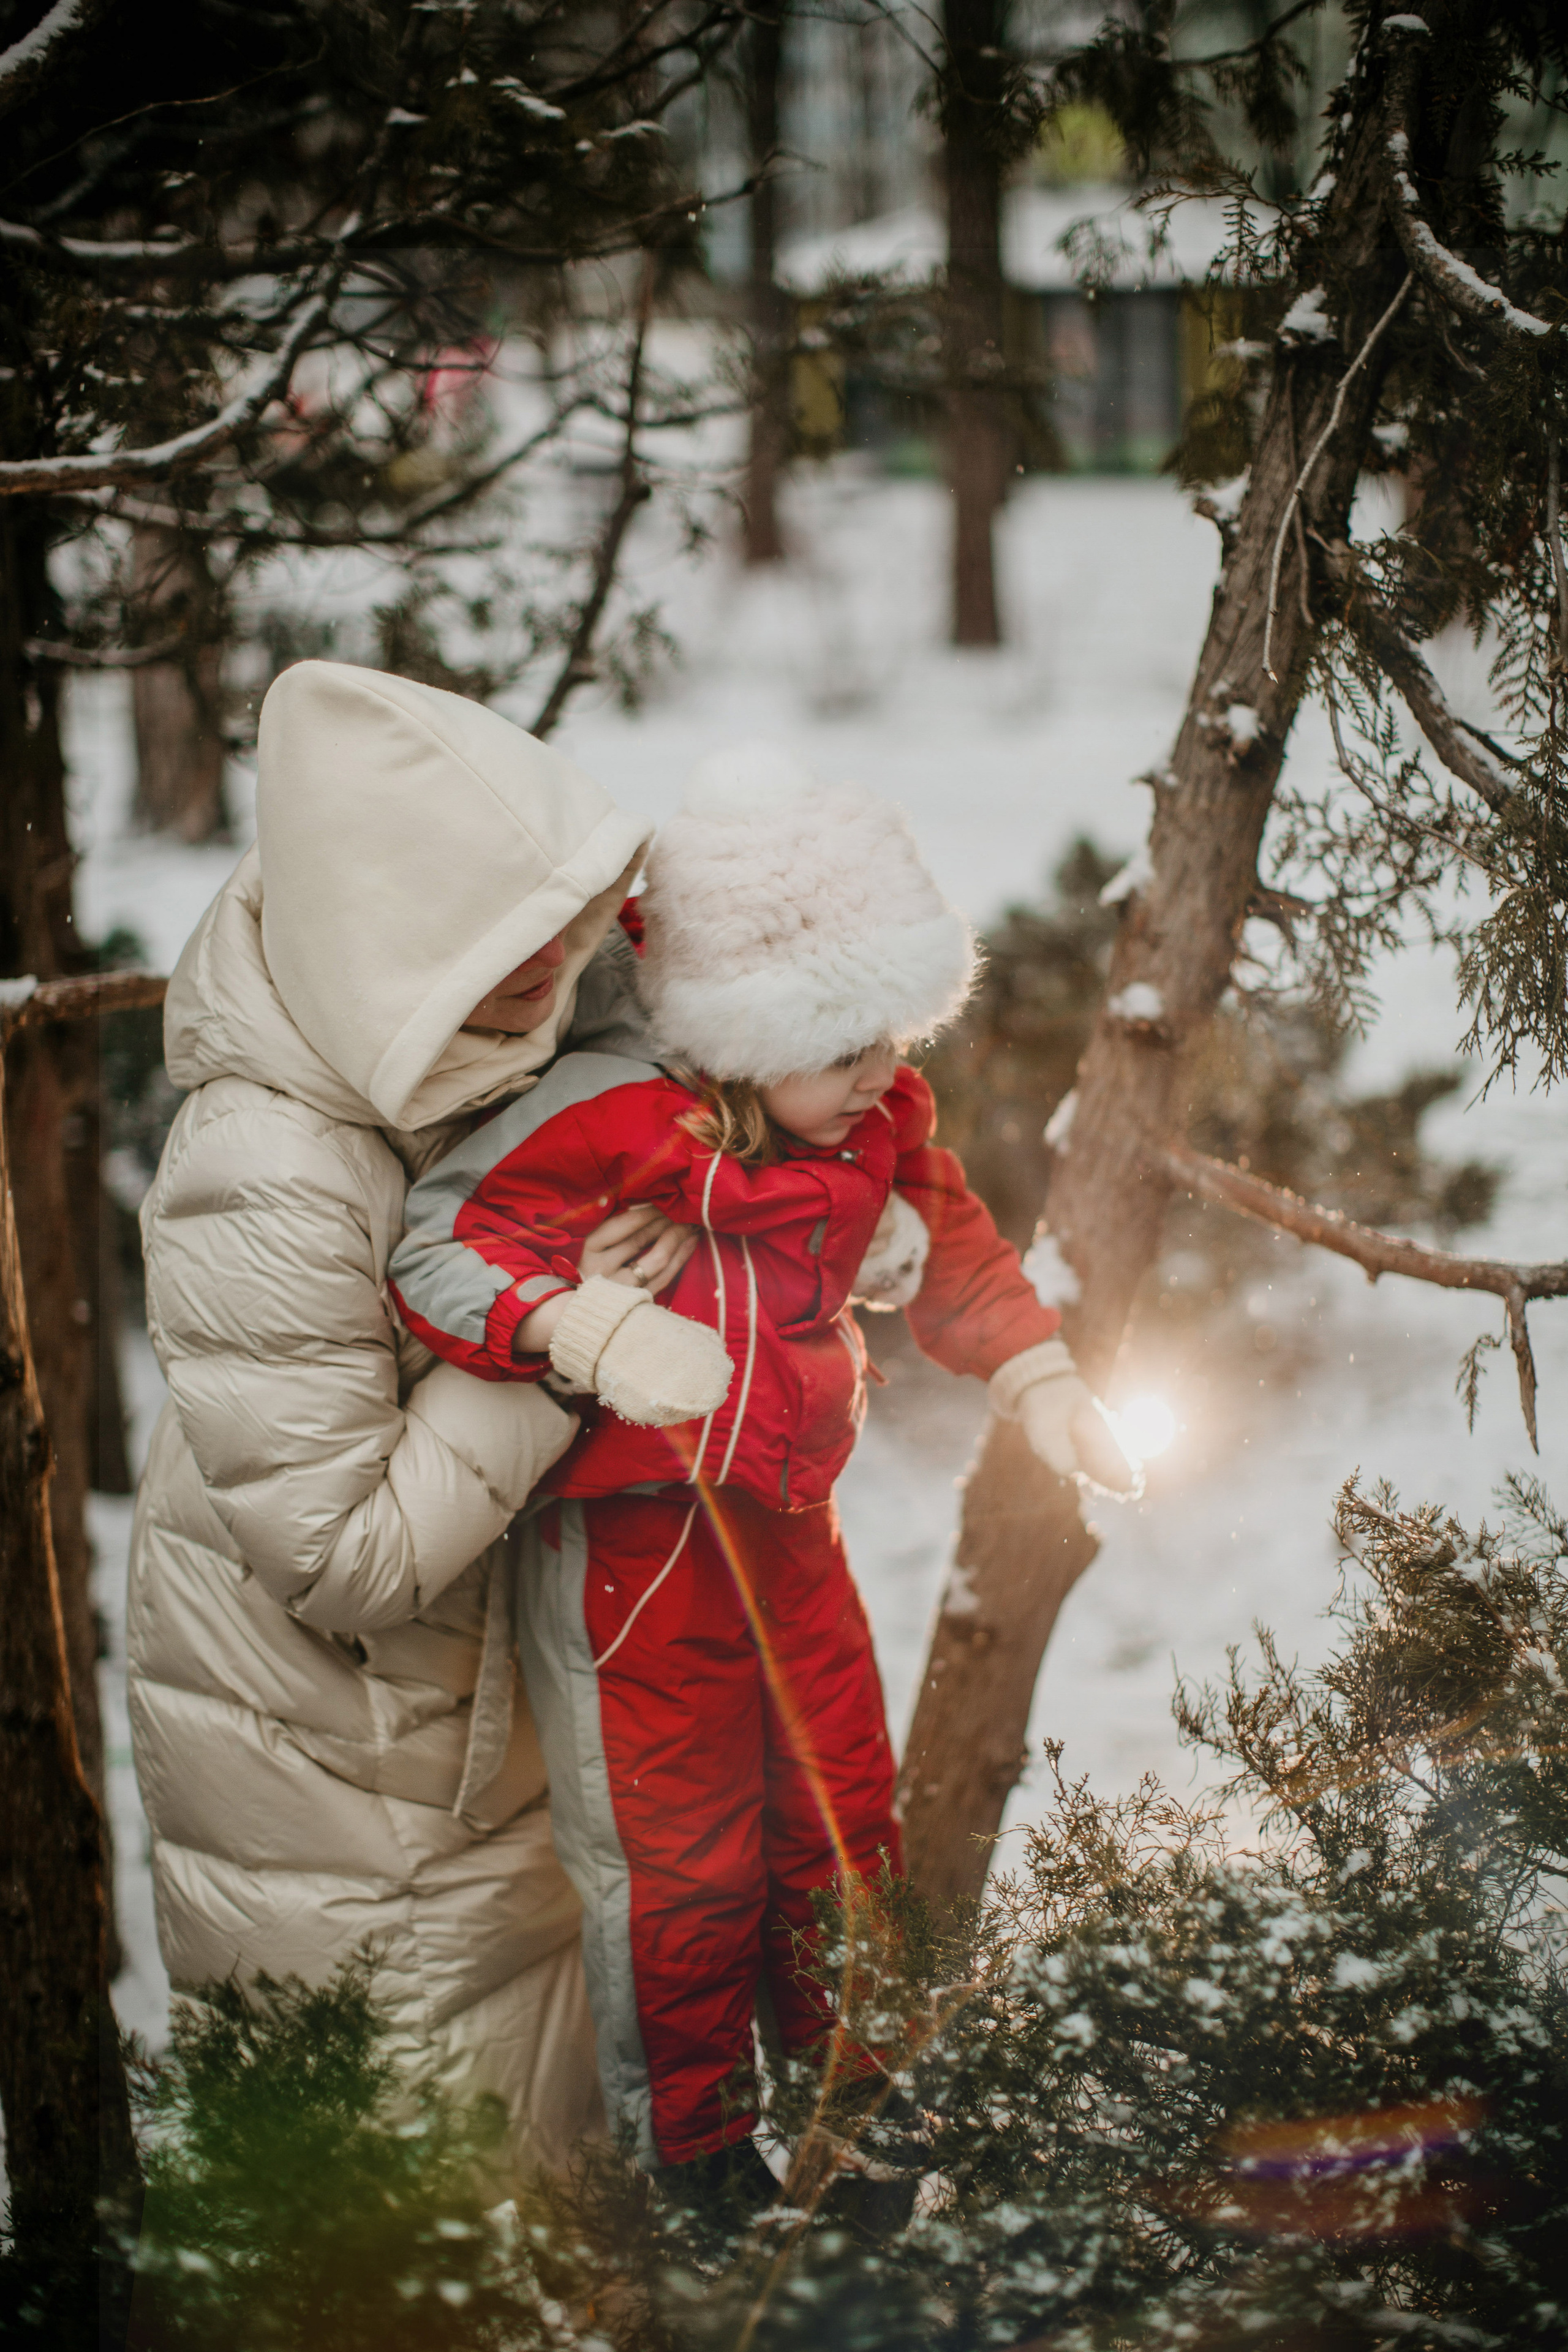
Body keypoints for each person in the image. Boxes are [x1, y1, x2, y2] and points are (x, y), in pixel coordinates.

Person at [386, 742, 1133, 2196]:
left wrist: (1034, 1372)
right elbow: (439, 1249)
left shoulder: (871, 1118)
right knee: (681, 1862)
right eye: (839, 1042)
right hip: (631, 1551)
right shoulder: (613, 1115)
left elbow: (954, 1240)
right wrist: (588, 1325)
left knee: (838, 1812)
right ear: (735, 1030)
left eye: (892, 1037)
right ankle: (702, 2155)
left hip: (788, 1527)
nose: (879, 1076)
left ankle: (848, 2106)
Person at [126, 658, 689, 2178]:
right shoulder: (272, 1167)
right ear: (383, 930)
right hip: (347, 1791)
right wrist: (560, 1333)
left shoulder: (564, 1027)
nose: (545, 966)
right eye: (484, 944)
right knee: (408, 2235)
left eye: (559, 920)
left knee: (561, 2204)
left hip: (504, 1742)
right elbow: (347, 1553)